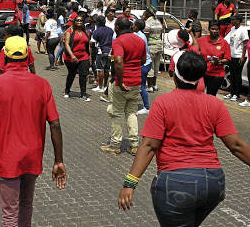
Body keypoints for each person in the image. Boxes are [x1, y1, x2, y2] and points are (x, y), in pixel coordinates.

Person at [118, 51, 250, 227]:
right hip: (213, 182)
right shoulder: (215, 103)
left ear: (175, 76)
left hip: (176, 183)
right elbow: (237, 146)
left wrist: (130, 183)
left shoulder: (163, 103)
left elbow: (149, 146)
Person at [0, 36, 66, 226]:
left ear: (5, 56)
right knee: (26, 206)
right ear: (28, 55)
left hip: (7, 159)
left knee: (10, 214)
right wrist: (58, 160)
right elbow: (55, 124)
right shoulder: (43, 84)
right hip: (32, 156)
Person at [100, 17, 146, 156]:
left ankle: (115, 145)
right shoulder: (140, 40)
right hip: (136, 81)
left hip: (123, 82)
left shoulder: (118, 41)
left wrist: (120, 82)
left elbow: (119, 62)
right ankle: (134, 145)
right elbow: (143, 60)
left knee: (117, 113)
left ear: (117, 28)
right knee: (131, 112)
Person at [197, 20, 231, 96]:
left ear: (219, 30)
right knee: (198, 94)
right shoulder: (202, 40)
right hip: (203, 72)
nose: (214, 31)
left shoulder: (224, 43)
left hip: (217, 75)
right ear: (209, 29)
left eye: (216, 29)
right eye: (212, 29)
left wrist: (220, 61)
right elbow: (194, 46)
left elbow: (227, 58)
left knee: (211, 96)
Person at [63, 16, 91, 101]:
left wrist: (90, 57)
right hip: (71, 57)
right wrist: (72, 55)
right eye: (77, 20)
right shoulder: (70, 31)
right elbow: (67, 44)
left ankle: (83, 94)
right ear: (74, 21)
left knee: (83, 74)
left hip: (83, 56)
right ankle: (67, 90)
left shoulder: (86, 32)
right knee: (72, 73)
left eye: (81, 20)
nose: (79, 22)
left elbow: (88, 45)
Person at [223, 14, 248, 102]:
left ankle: (237, 94)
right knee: (232, 75)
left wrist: (242, 56)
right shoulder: (232, 29)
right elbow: (227, 41)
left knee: (238, 76)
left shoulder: (243, 30)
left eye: (233, 19)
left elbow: (245, 43)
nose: (231, 20)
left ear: (238, 21)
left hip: (239, 56)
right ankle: (231, 92)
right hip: (232, 55)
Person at [133, 19, 152, 115]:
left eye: (133, 24)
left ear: (136, 27)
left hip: (143, 64)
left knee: (141, 86)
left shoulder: (139, 37)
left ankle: (146, 107)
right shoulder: (140, 35)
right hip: (145, 63)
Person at [91, 15, 113, 93]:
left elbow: (92, 42)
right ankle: (105, 85)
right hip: (110, 52)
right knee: (107, 69)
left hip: (101, 52)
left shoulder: (97, 31)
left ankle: (100, 86)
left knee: (100, 69)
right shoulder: (110, 30)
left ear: (98, 22)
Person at [143, 8, 163, 93]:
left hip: (151, 46)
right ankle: (155, 84)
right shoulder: (158, 22)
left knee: (150, 66)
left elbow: (146, 36)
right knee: (156, 66)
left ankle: (150, 86)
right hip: (159, 46)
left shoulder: (147, 23)